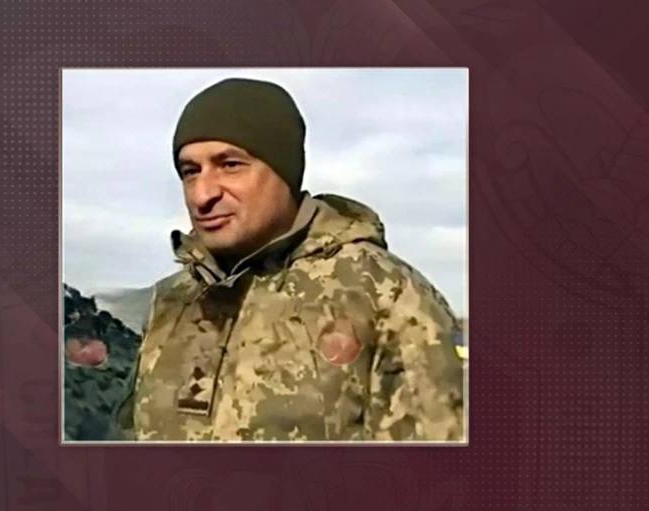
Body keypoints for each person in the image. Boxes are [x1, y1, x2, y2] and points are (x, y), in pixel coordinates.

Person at [117, 77, 465, 441]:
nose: (202, 195)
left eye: (230, 165)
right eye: (191, 172)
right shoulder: (170, 303)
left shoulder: (385, 296)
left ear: (285, 172)